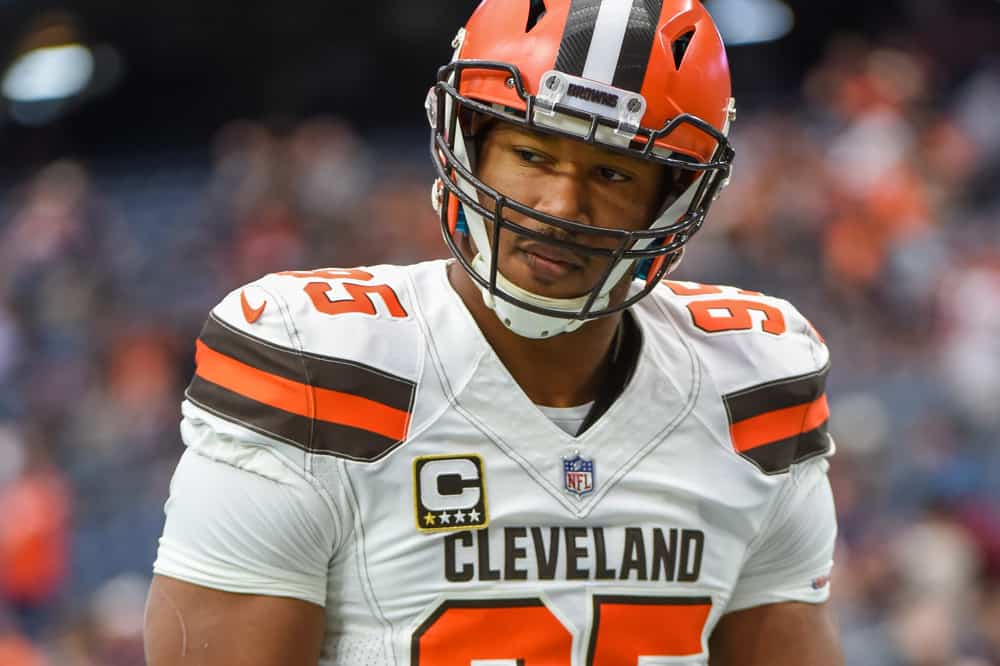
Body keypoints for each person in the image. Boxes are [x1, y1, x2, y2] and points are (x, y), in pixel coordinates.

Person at [144, 1, 843, 664]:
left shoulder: (752, 384)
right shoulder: (313, 361)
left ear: (674, 197)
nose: (561, 206)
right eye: (534, 155)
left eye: (610, 172)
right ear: (467, 144)